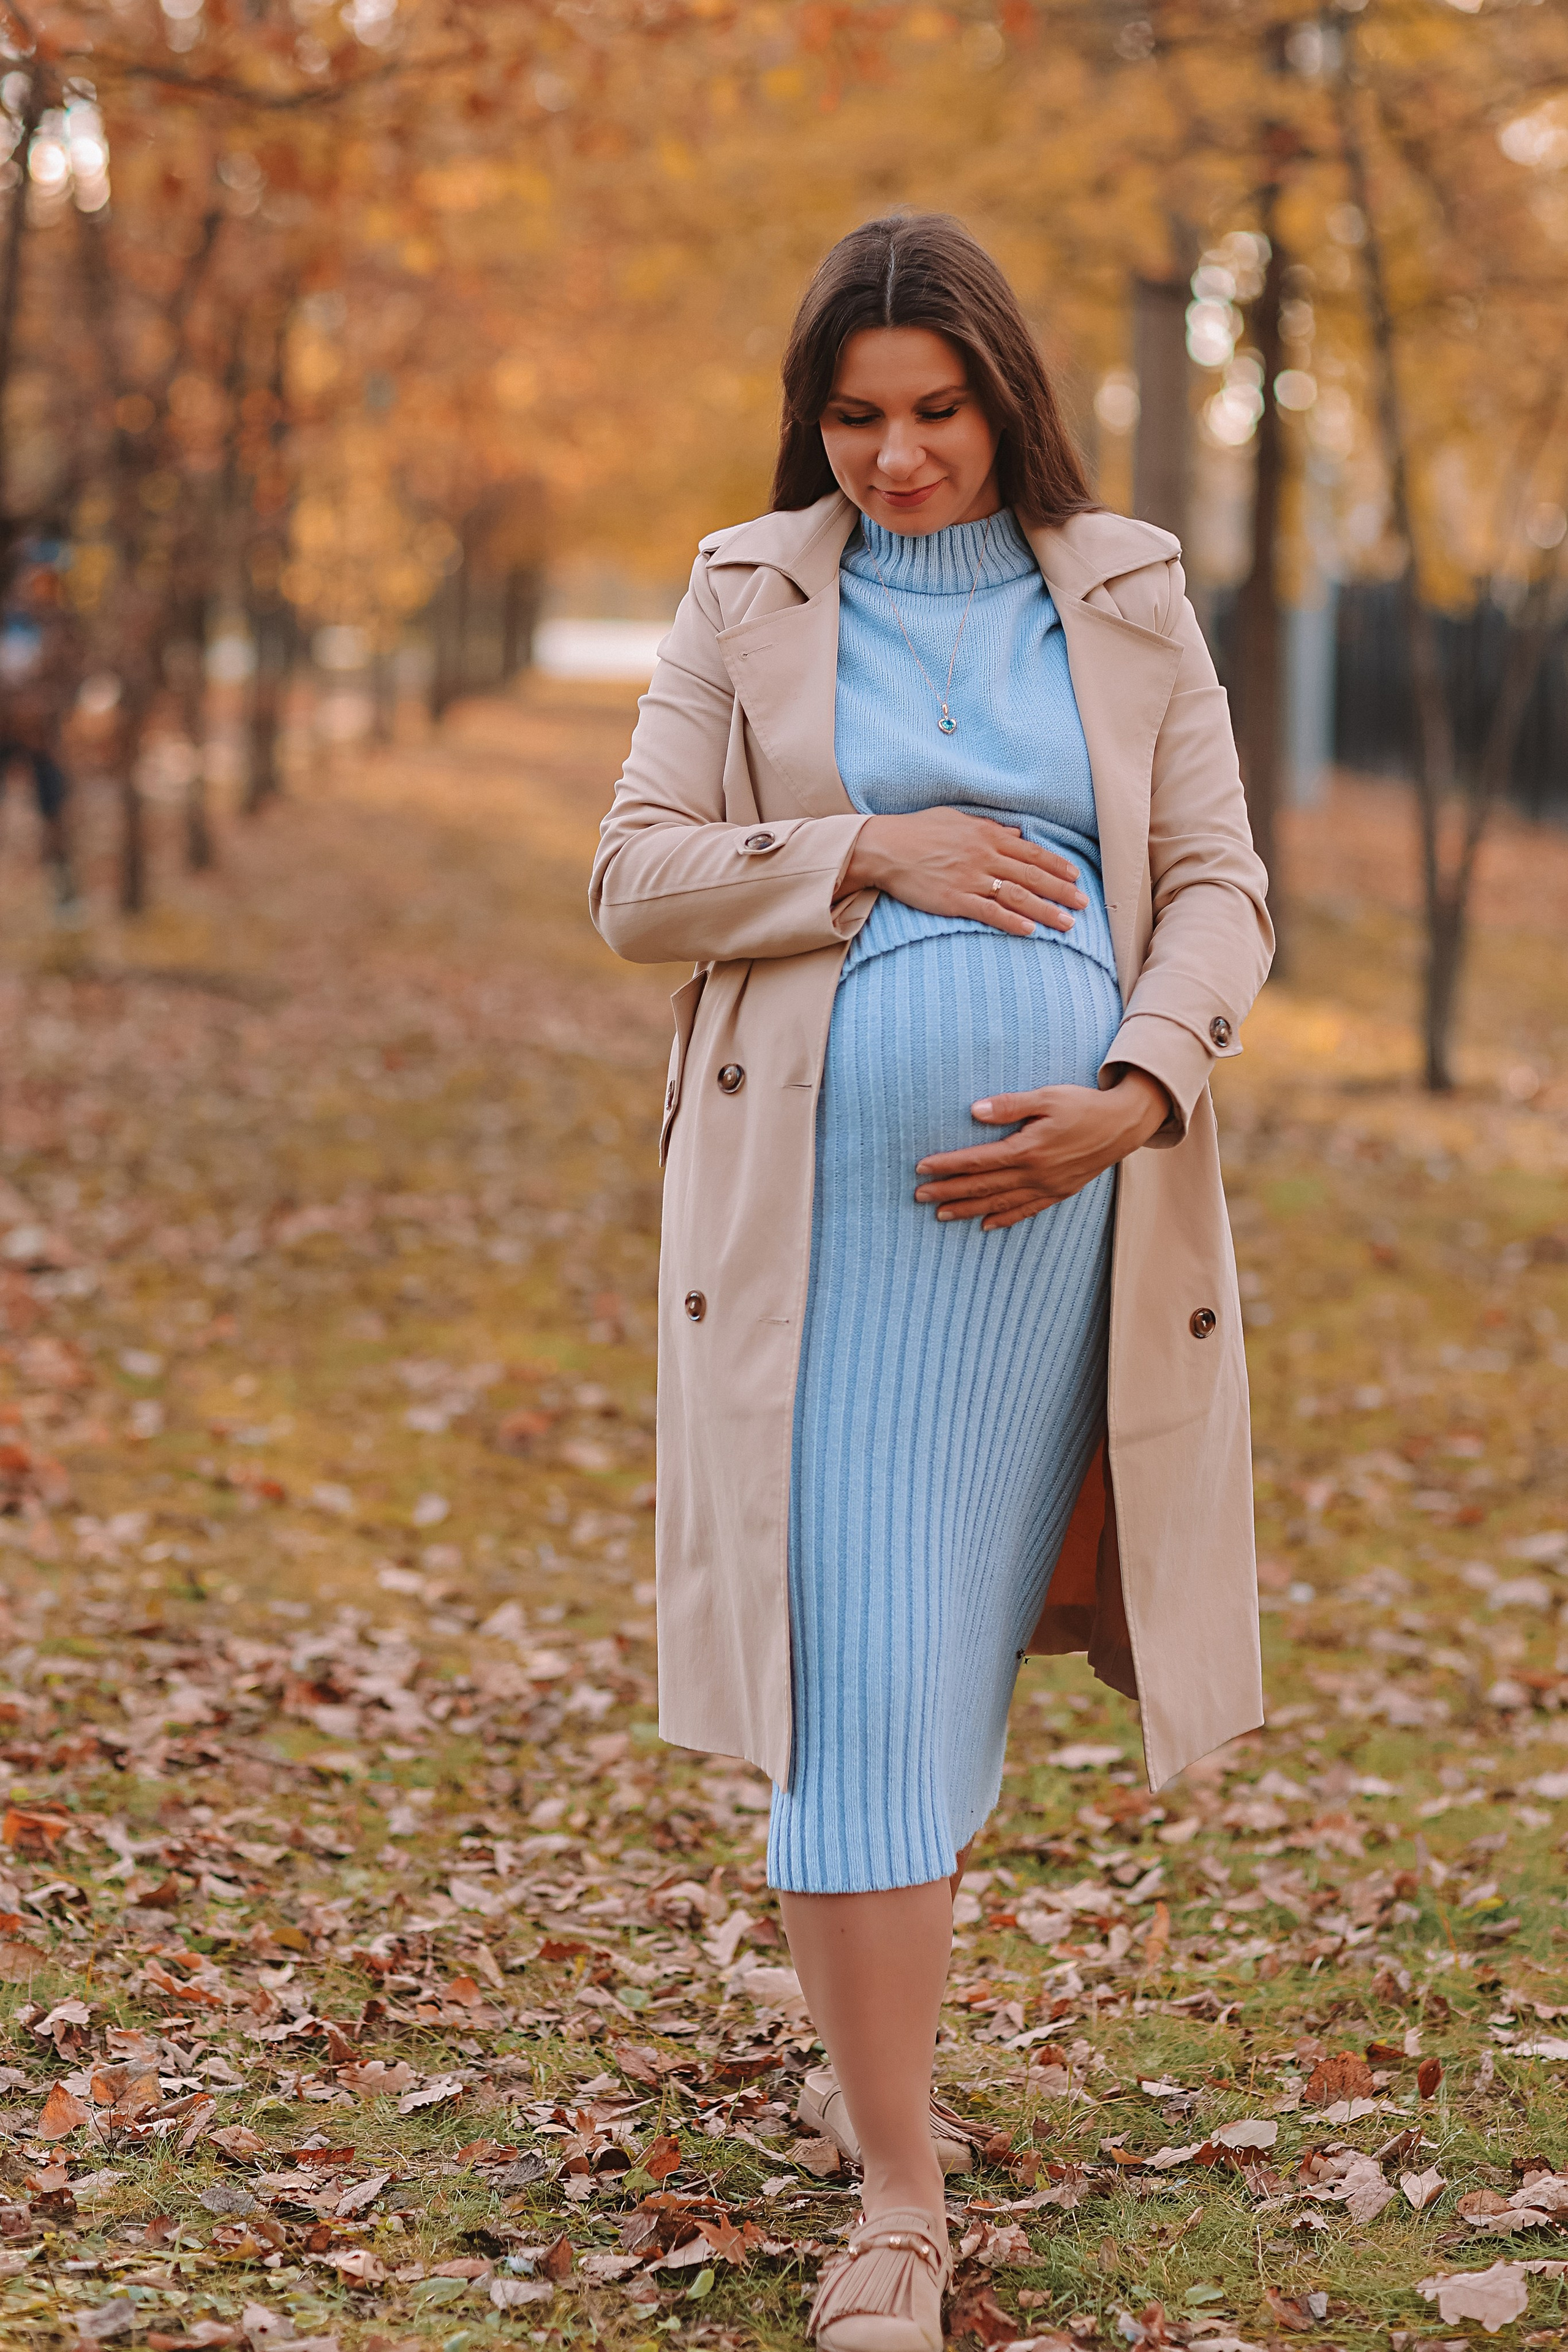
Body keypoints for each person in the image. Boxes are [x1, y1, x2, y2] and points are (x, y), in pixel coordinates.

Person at [590, 213, 1273, 2352]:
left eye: (937, 414)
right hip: (812, 1231)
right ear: (815, 416)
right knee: (858, 1675)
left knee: (942, 1659)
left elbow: (1221, 893)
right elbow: (630, 881)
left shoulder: (1130, 590)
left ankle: (864, 2054)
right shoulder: (747, 590)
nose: (897, 458)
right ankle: (900, 2196)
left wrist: (1135, 1095)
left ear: (1006, 399)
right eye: (858, 416)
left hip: (1062, 1227)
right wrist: (865, 848)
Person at [0, 561, 83, 919]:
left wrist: (43, 714)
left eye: (49, 583)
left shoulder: (65, 627)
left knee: (54, 810)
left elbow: (73, 680)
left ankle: (64, 898)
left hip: (45, 737)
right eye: (36, 581)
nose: (42, 589)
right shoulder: (8, 621)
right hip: (4, 730)